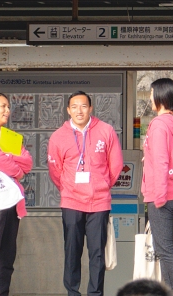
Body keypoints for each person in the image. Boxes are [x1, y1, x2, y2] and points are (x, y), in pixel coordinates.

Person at [47, 91, 124, 296]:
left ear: (90, 108)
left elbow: (116, 165)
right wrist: (66, 188)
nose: (79, 111)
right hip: (71, 201)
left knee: (97, 254)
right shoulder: (58, 136)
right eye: (74, 107)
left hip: (99, 202)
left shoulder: (106, 131)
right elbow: (55, 169)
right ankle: (72, 292)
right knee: (72, 251)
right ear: (68, 110)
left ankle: (95, 293)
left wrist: (102, 185)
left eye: (83, 106)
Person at [141, 78, 173, 296]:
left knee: (166, 250)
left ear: (159, 96)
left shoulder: (159, 125)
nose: (149, 97)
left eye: (151, 93)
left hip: (162, 194)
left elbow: (161, 161)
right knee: (165, 248)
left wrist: (157, 197)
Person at [0, 92, 34, 296]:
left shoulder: (9, 136)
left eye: (8, 106)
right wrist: (16, 167)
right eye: (2, 106)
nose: (7, 110)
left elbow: (28, 162)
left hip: (12, 203)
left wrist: (10, 158)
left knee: (7, 258)